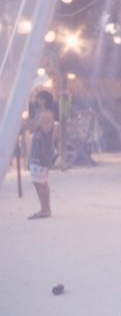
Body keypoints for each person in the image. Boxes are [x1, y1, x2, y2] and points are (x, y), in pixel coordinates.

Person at [23, 89, 58, 219]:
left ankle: (45, 209)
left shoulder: (47, 115)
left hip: (41, 150)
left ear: (44, 100)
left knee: (38, 181)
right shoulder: (42, 113)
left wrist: (22, 123)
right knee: (41, 180)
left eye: (38, 98)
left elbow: (33, 126)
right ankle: (45, 208)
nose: (36, 101)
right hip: (39, 149)